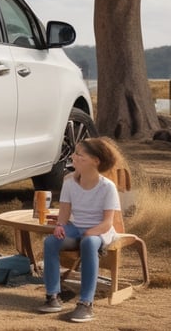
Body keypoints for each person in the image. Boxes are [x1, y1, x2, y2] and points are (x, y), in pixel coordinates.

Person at [37, 136, 122, 323]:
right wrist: (60, 226)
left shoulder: (108, 187)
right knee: (51, 241)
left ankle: (86, 304)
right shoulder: (69, 182)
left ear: (95, 161)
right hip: (75, 228)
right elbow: (64, 213)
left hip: (100, 231)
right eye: (74, 153)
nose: (73, 157)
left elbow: (108, 223)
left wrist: (90, 233)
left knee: (90, 242)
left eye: (79, 154)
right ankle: (52, 297)